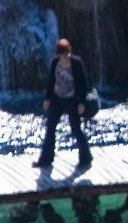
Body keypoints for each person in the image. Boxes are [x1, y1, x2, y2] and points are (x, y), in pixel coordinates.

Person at [36, 37, 93, 173]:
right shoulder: (55, 62)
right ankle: (45, 159)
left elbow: (84, 84)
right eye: (62, 54)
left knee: (76, 129)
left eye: (67, 53)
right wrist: (47, 99)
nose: (65, 56)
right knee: (50, 128)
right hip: (57, 99)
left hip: (72, 100)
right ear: (58, 54)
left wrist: (81, 102)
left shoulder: (76, 63)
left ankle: (86, 158)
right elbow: (51, 81)